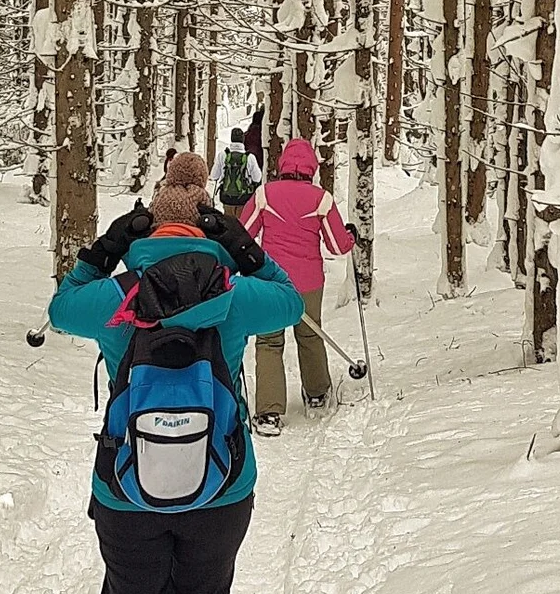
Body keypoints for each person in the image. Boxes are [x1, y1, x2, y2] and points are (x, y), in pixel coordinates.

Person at [50, 153, 304, 594]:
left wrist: (101, 253)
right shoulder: (235, 293)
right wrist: (246, 249)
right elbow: (291, 301)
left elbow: (60, 308)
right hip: (223, 483)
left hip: (125, 487)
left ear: (150, 230)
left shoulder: (116, 297)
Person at [239, 138, 357, 437]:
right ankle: (317, 395)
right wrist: (350, 236)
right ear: (311, 168)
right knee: (310, 333)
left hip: (271, 282)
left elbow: (243, 234)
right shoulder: (321, 199)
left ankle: (269, 413)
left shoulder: (264, 194)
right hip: (308, 282)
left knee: (268, 340)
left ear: (282, 166)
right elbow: (336, 245)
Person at [211, 128, 264, 214]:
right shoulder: (250, 157)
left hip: (227, 198)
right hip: (244, 199)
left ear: (231, 139)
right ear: (243, 139)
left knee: (228, 224)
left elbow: (214, 176)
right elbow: (257, 178)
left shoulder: (223, 155)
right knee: (241, 224)